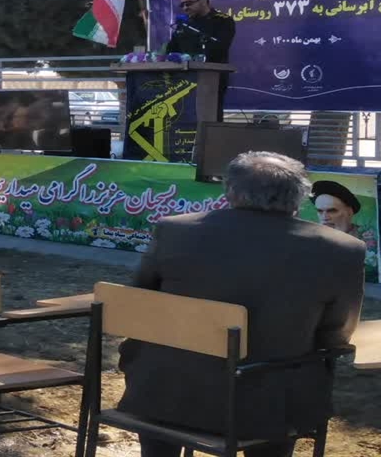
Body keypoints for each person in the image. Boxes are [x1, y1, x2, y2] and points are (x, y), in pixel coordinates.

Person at [118, 151, 365, 457]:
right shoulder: (342, 249)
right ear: (300, 197)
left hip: (162, 395)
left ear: (230, 192)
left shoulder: (174, 229)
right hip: (266, 410)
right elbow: (336, 334)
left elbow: (138, 303)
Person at [165, 0, 236, 121]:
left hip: (211, 79)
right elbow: (171, 49)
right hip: (183, 80)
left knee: (209, 120)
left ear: (203, 1)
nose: (185, 8)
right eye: (182, 5)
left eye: (189, 3)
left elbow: (219, 48)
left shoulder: (222, 21)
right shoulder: (184, 24)